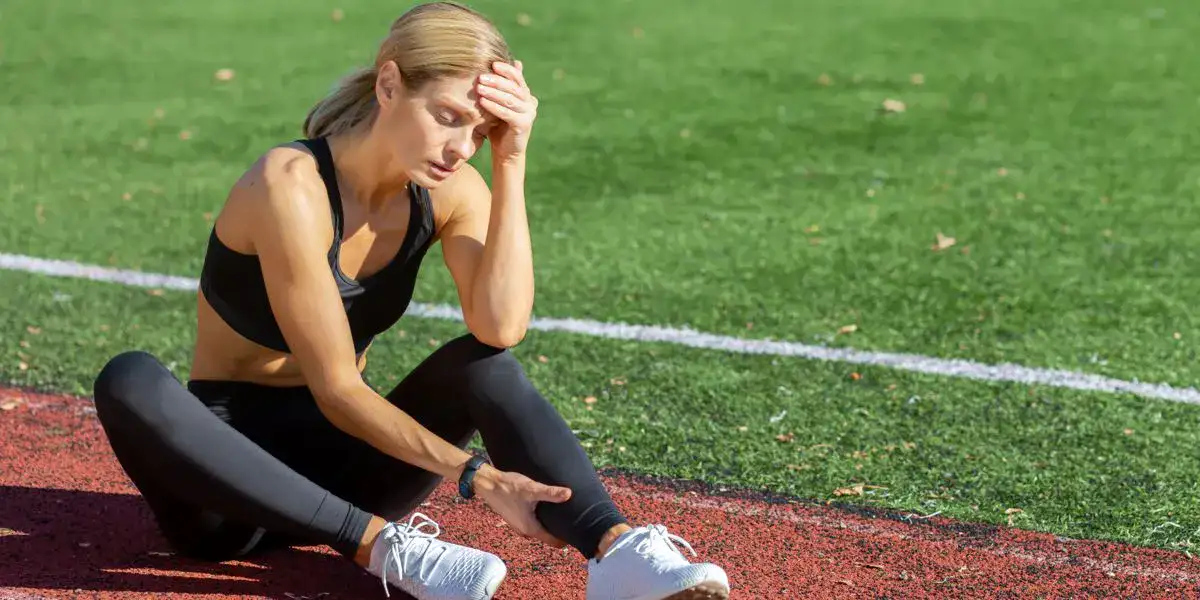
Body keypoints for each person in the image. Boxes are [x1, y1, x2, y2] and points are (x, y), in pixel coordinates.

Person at [90, 2, 731, 599]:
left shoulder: (452, 187)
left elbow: (500, 326)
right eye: (448, 117)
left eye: (480, 130)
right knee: (130, 379)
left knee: (485, 364)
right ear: (389, 85)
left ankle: (616, 553)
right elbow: (338, 386)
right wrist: (476, 475)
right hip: (224, 492)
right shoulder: (290, 187)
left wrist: (512, 160)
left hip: (349, 468)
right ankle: (384, 550)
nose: (460, 148)